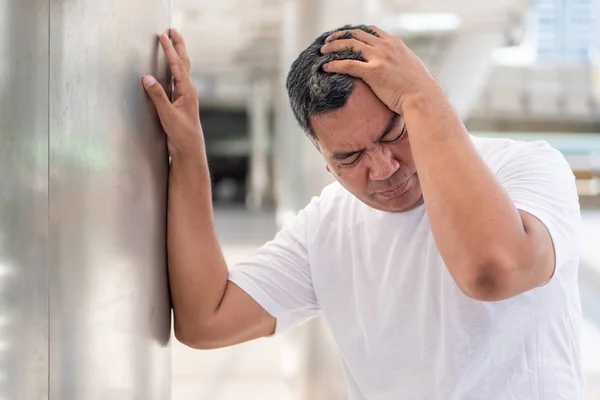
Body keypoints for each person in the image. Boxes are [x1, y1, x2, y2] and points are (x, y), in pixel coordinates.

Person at [142, 24, 583, 400]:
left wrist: (421, 95)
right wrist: (188, 155)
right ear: (323, 157)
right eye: (350, 158)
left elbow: (493, 271)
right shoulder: (326, 225)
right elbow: (206, 319)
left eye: (396, 133)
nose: (383, 169)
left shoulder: (525, 168)